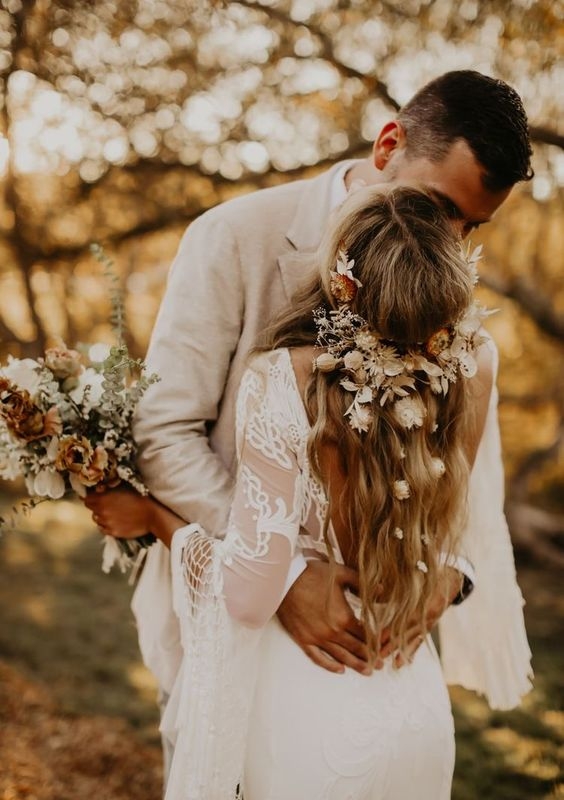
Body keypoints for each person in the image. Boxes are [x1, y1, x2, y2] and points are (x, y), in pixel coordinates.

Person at [85, 70, 533, 781]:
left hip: (387, 660)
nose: (450, 241)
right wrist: (288, 575)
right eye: (439, 206)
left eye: (471, 227)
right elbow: (165, 434)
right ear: (389, 143)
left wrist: (448, 573)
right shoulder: (236, 237)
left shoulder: (450, 289)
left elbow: (467, 472)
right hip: (241, 647)